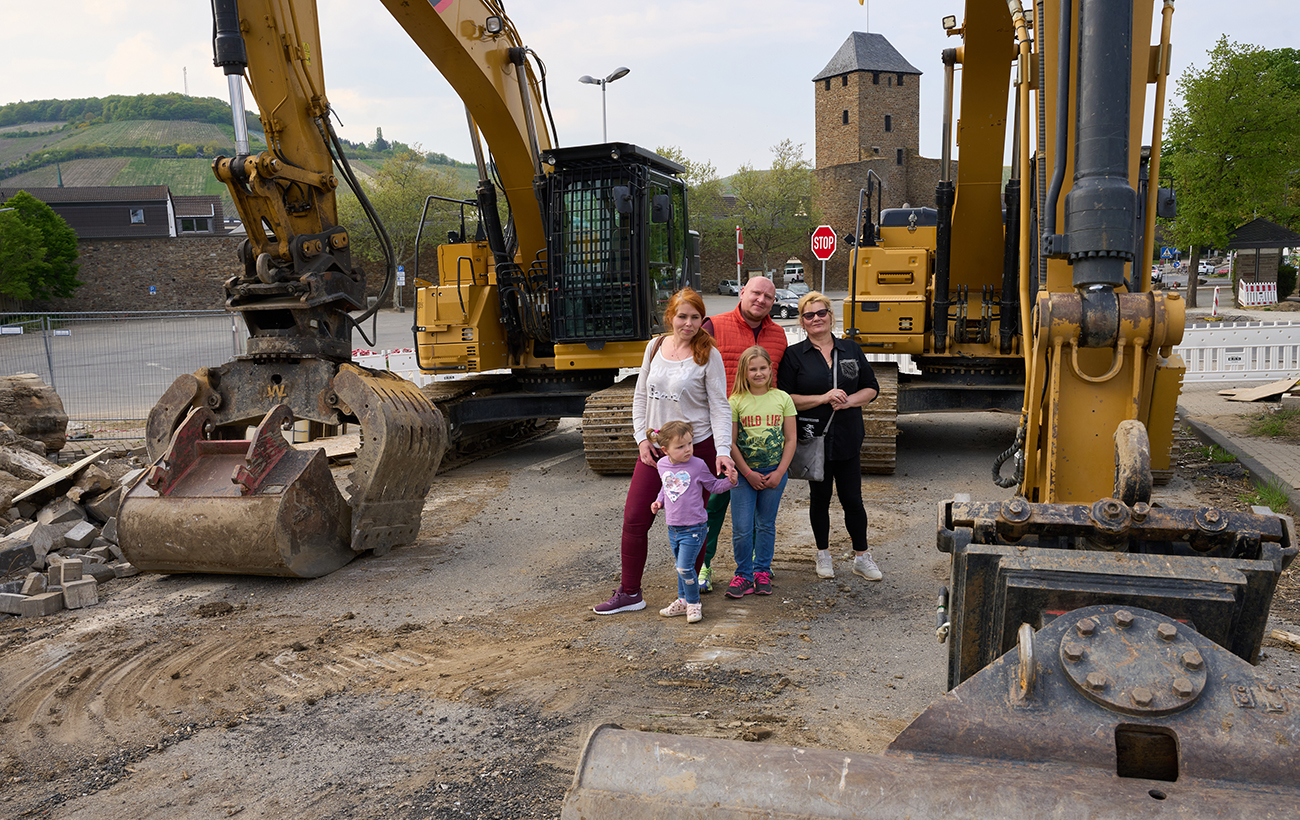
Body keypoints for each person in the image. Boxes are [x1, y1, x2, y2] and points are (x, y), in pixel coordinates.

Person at [593, 287, 735, 615]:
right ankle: (630, 593)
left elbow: (720, 406)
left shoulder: (707, 354)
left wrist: (723, 451)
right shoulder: (655, 346)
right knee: (634, 519)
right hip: (657, 450)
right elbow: (641, 394)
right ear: (670, 316)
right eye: (682, 316)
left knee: (690, 526)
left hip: (693, 451)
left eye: (695, 317)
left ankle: (687, 597)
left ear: (703, 319)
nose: (688, 324)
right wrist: (641, 440)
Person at [776, 291, 882, 581]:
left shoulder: (850, 350)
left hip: (847, 437)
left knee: (853, 500)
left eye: (821, 313)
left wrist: (848, 401)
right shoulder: (794, 355)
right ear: (802, 321)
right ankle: (823, 555)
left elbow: (871, 387)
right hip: (814, 437)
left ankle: (862, 556)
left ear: (830, 316)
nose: (816, 319)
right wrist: (823, 398)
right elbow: (785, 398)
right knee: (819, 499)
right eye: (809, 315)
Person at [697, 276, 787, 593]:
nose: (761, 300)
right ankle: (702, 566)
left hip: (761, 440)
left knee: (755, 514)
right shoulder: (713, 326)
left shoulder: (778, 336)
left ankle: (753, 567)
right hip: (718, 434)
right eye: (756, 293)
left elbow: (779, 386)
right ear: (743, 292)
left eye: (768, 296)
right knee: (713, 503)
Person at [725, 346, 796, 598]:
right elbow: (730, 443)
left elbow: (790, 439)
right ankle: (743, 575)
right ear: (744, 372)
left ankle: (762, 571)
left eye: (762, 368)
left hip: (775, 472)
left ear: (770, 369)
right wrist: (746, 472)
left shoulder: (782, 398)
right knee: (742, 527)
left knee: (766, 524)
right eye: (752, 369)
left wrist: (780, 472)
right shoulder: (735, 402)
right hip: (744, 475)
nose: (758, 373)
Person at [649, 421, 737, 623]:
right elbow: (667, 486)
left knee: (684, 568)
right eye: (680, 447)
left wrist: (730, 481)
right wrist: (658, 501)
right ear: (665, 450)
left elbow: (713, 486)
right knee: (680, 566)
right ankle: (683, 601)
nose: (687, 449)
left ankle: (694, 603)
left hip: (694, 527)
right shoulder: (662, 465)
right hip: (673, 528)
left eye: (689, 444)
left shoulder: (697, 465)